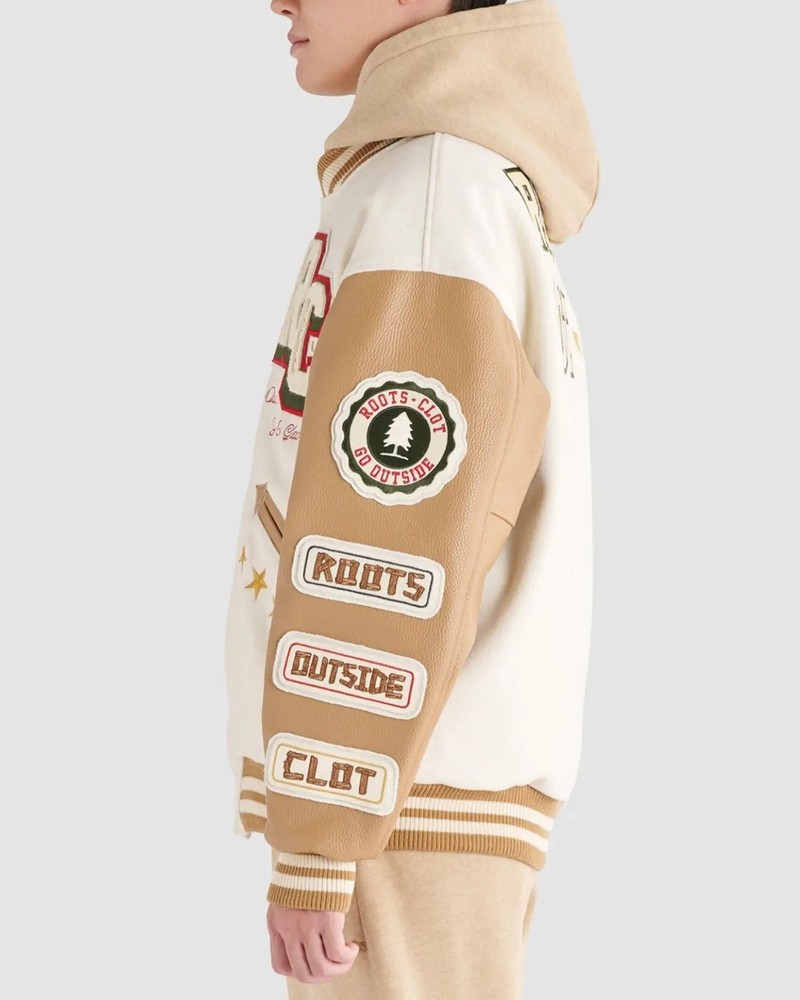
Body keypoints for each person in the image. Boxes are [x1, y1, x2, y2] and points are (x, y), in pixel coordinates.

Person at [223, 0, 600, 995]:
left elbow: (391, 526)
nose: (277, 0)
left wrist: (322, 832)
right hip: (421, 792)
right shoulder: (459, 185)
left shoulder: (431, 193)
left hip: (397, 803)